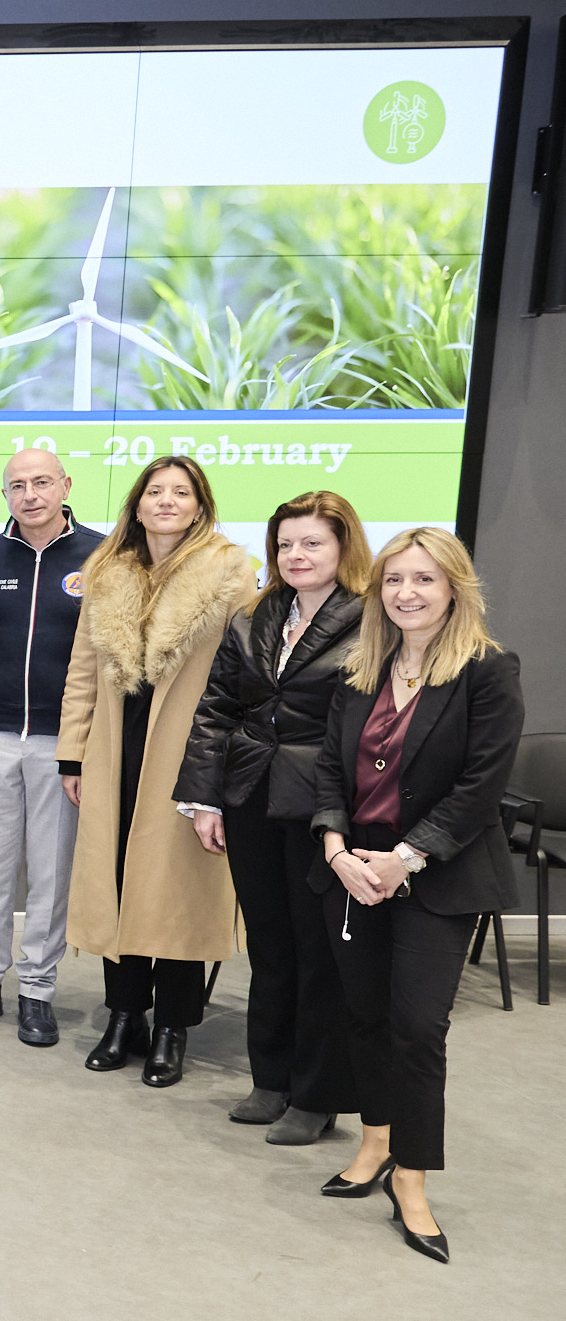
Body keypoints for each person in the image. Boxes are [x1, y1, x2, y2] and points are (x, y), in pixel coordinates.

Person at [313, 529, 521, 1264]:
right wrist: (336, 850)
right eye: (394, 579)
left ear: (455, 588)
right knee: (365, 1014)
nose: (407, 593)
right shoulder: (360, 668)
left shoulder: (488, 670)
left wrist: (405, 858)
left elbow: (480, 786)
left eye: (424, 579)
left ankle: (412, 1176)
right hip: (353, 872)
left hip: (438, 874)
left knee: (417, 1028)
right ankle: (375, 1141)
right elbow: (328, 773)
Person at [176, 492, 371, 1144]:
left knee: (319, 952)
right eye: (285, 544)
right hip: (251, 796)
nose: (296, 555)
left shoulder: (372, 620)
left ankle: (316, 1095)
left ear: (343, 546)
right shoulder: (254, 616)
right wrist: (204, 799)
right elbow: (216, 708)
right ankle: (271, 1080)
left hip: (326, 805)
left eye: (312, 543)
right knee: (269, 944)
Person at [57, 456, 255, 1086]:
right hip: (116, 753)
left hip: (191, 756)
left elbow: (245, 679)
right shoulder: (107, 571)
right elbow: (82, 671)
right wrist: (73, 754)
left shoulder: (231, 573)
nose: (166, 501)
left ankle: (172, 1026)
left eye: (181, 492)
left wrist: (224, 767)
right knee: (117, 882)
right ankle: (124, 1016)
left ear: (200, 506)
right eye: (155, 491)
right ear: (137, 506)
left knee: (176, 893)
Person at [0, 449, 105, 1045]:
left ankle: (37, 990)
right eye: (17, 485)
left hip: (61, 743)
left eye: (41, 482)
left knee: (50, 873)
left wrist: (83, 744)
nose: (30, 494)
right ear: (5, 495)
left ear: (66, 485)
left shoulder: (101, 557)